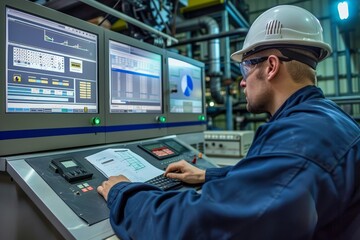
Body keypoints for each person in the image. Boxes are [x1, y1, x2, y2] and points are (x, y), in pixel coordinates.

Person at [97, 5, 360, 240]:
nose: (243, 81)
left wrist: (123, 193)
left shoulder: (298, 142)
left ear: (270, 67)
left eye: (246, 68)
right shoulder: (324, 119)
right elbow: (270, 180)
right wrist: (208, 175)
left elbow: (195, 226)